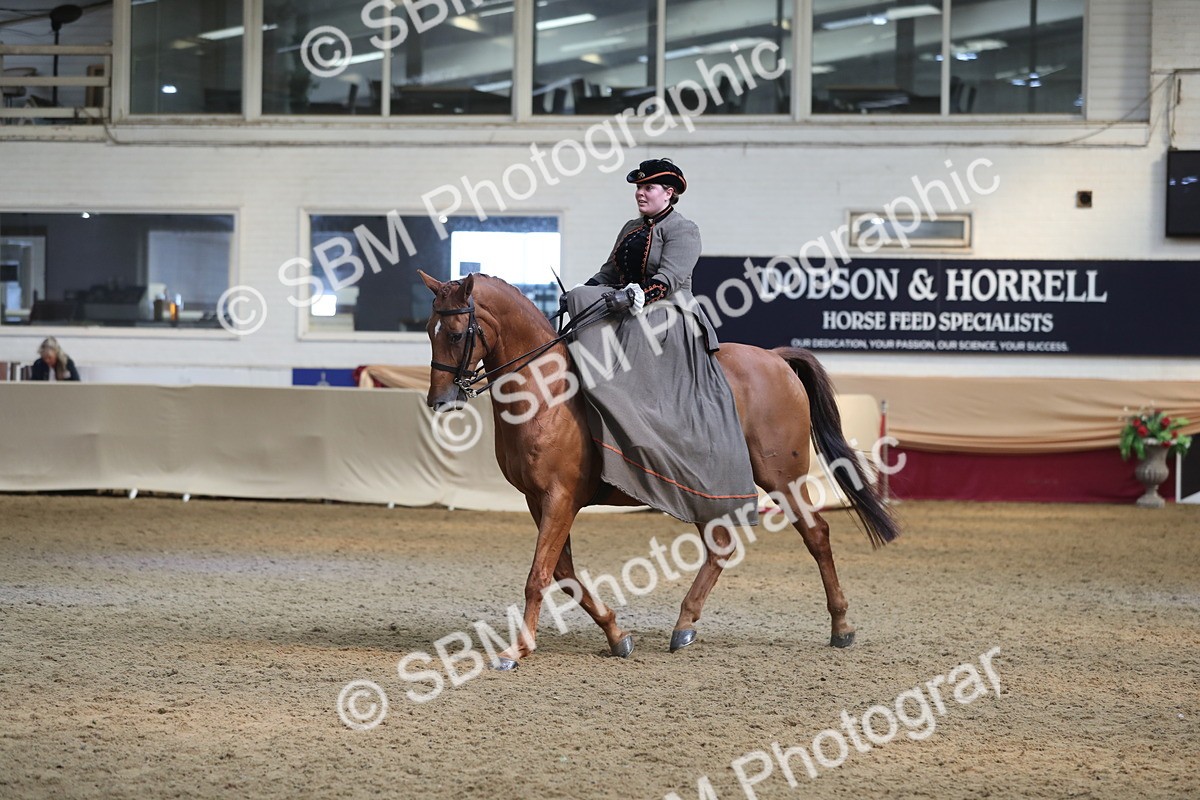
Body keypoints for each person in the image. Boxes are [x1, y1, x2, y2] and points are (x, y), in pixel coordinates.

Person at [563, 158, 757, 526]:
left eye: (648, 187)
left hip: (668, 312)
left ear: (668, 193)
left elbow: (668, 280)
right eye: (638, 187)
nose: (640, 193)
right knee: (581, 302)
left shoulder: (684, 230)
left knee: (631, 336)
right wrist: (580, 292)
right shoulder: (630, 228)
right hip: (629, 305)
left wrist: (629, 297)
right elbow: (610, 272)